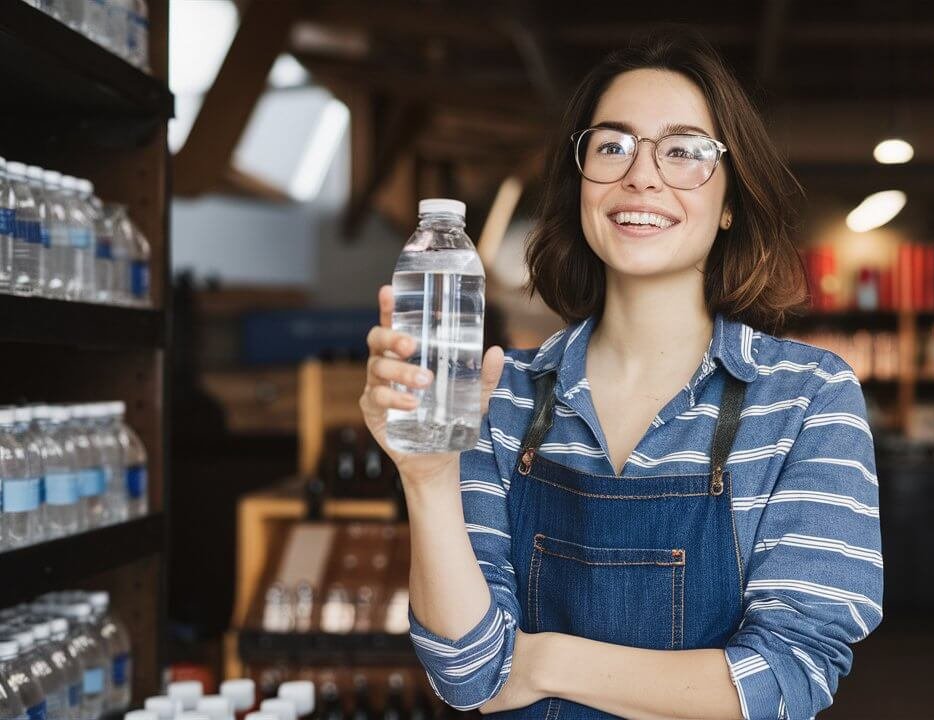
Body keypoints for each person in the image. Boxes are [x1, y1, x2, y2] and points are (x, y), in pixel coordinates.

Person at [361, 29, 883, 720]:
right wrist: (424, 479)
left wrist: (547, 660)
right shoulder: (502, 396)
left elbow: (787, 675)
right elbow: (469, 672)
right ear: (581, 186)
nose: (642, 174)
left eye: (684, 151)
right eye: (612, 146)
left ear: (730, 202)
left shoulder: (806, 398)